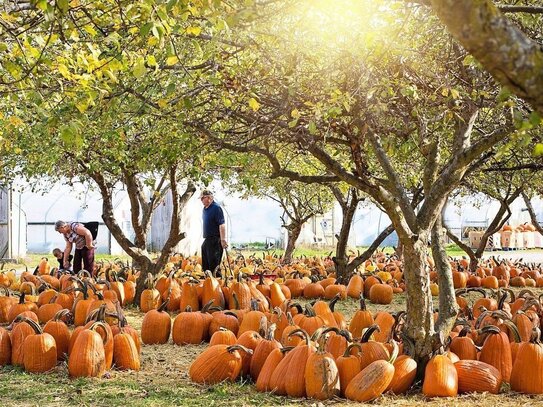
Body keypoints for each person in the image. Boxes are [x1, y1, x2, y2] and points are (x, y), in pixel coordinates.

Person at [200, 189, 228, 275]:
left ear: (209, 198)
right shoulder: (204, 209)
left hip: (215, 239)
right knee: (206, 264)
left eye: (202, 198)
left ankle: (216, 282)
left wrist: (223, 240)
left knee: (214, 265)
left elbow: (221, 224)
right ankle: (207, 280)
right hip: (207, 239)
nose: (201, 201)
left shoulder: (216, 208)